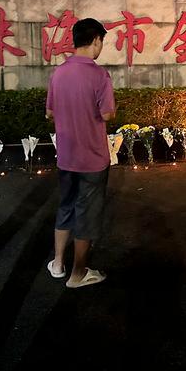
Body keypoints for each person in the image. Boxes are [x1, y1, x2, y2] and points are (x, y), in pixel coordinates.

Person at [45, 18, 115, 288]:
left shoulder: (59, 73)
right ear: (96, 40)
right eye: (101, 42)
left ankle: (58, 264)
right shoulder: (99, 75)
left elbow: (50, 112)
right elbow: (107, 113)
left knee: (66, 206)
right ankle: (78, 274)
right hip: (92, 159)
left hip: (66, 156)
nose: (101, 48)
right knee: (87, 212)